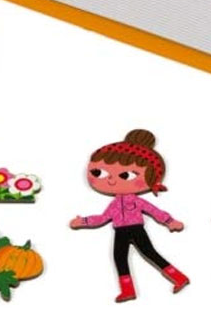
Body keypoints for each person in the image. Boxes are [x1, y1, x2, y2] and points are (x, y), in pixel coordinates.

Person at [70, 129, 189, 303]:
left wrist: (170, 221)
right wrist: (83, 221)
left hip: (136, 229)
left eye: (126, 175)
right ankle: (127, 290)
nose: (111, 180)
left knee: (150, 254)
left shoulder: (136, 200)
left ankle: (179, 278)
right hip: (120, 232)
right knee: (119, 258)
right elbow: (103, 218)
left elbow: (154, 210)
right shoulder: (115, 203)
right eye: (98, 173)